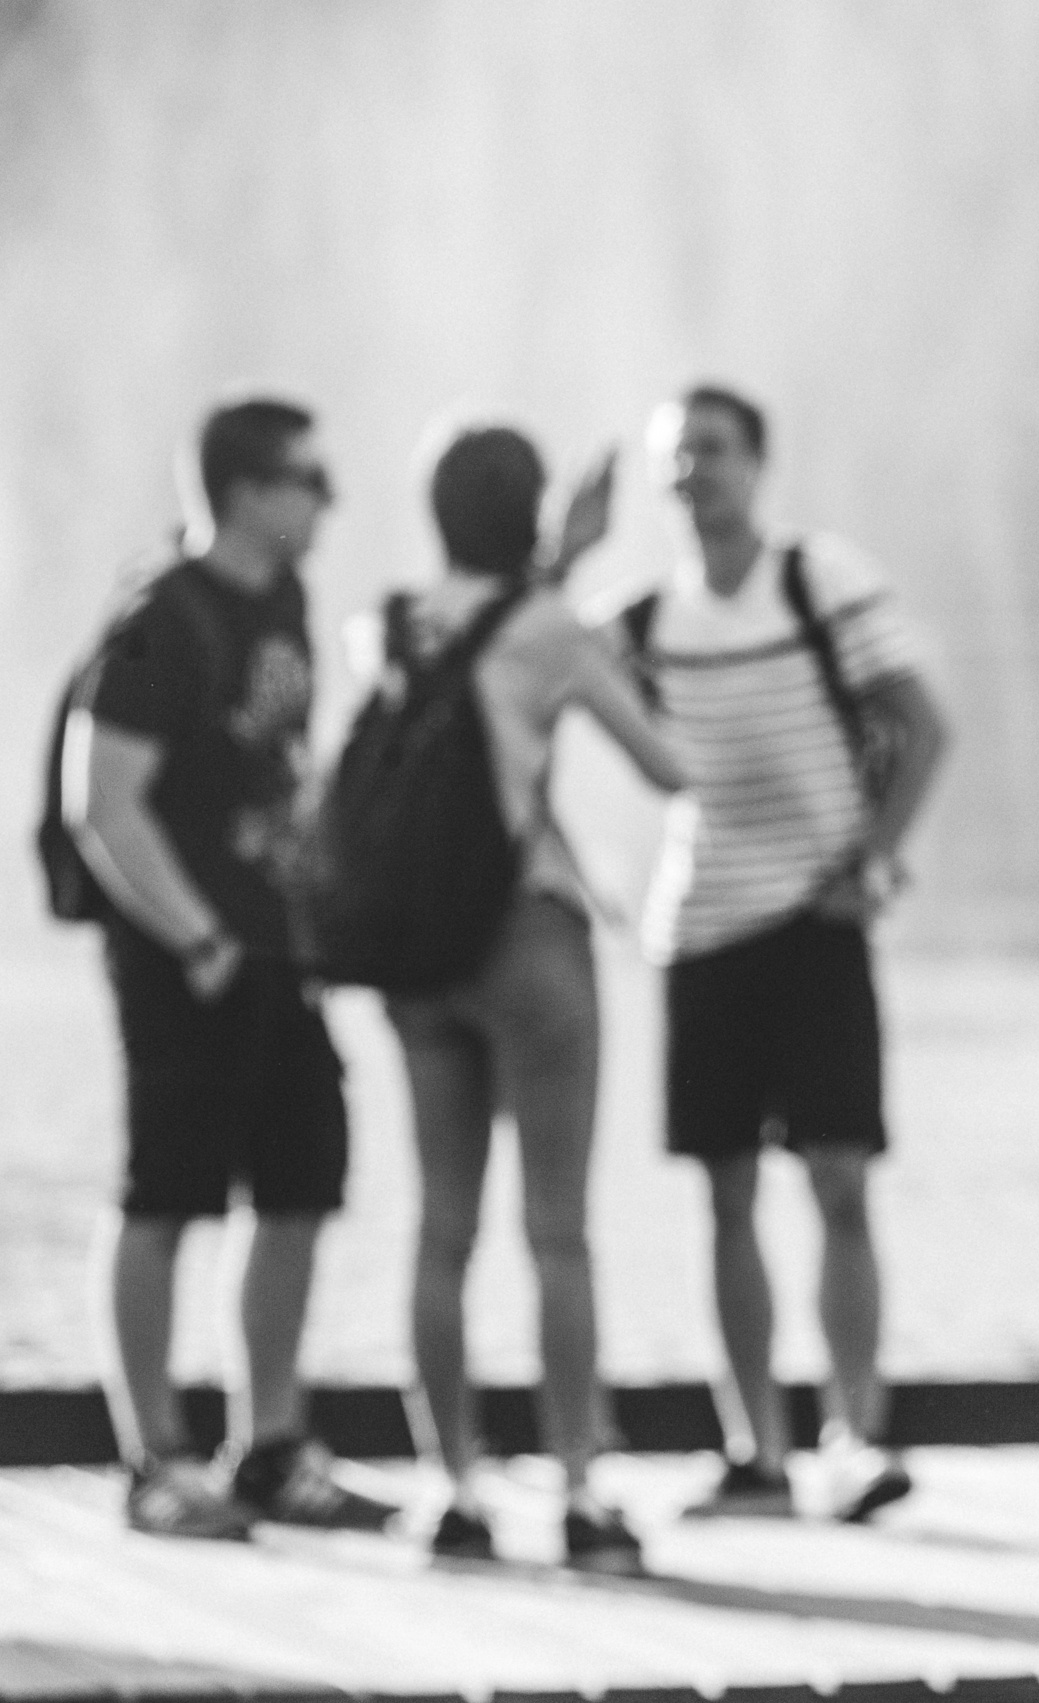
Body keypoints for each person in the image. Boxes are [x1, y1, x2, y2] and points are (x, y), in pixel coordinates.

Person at [355, 425, 689, 1570]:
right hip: (529, 939)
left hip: (416, 955)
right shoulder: (553, 627)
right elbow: (665, 763)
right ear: (533, 514)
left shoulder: (388, 625)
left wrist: (559, 565)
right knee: (558, 1232)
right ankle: (582, 1494)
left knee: (440, 1228)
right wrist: (594, 607)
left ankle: (452, 1486)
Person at [64, 397, 392, 1537]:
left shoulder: (287, 600)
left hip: (277, 951)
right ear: (249, 490)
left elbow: (276, 767)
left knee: (299, 1186)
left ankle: (270, 1445)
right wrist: (196, 933)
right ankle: (154, 1459)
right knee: (165, 1193)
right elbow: (99, 801)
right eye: (310, 477)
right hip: (182, 958)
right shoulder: (161, 618)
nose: (328, 499)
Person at [623, 384, 947, 1521]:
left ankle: (853, 1434)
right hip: (698, 929)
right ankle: (752, 1449)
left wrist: (878, 856)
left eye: (709, 451)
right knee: (722, 1194)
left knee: (840, 1181)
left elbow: (922, 721)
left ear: (756, 464)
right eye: (672, 457)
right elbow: (534, 674)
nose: (689, 474)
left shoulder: (820, 579)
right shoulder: (643, 620)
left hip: (814, 924)